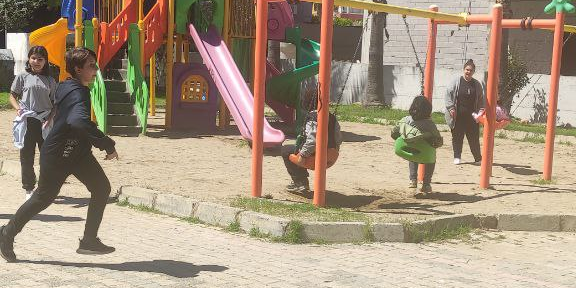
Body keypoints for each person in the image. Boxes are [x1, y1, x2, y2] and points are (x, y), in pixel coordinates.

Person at [0, 47, 118, 262]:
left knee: (101, 188)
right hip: (57, 154)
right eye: (92, 65)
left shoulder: (66, 85)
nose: (96, 69)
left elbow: (63, 113)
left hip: (78, 152)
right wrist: (106, 144)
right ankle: (6, 234)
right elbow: (78, 121)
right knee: (42, 198)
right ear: (78, 68)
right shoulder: (77, 91)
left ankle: (89, 241)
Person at [9, 46, 57, 200]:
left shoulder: (50, 80)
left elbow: (55, 103)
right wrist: (18, 110)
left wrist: (50, 119)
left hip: (45, 123)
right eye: (33, 58)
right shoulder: (22, 77)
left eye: (40, 59)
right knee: (27, 156)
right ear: (29, 59)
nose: (36, 61)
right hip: (28, 121)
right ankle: (29, 188)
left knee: (47, 157)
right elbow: (12, 96)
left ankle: (45, 188)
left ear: (45, 61)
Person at [282, 90, 343, 194]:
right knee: (297, 148)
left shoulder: (313, 118)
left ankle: (300, 182)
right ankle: (301, 182)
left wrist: (303, 155)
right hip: (331, 157)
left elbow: (313, 140)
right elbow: (338, 138)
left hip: (313, 157)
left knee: (286, 150)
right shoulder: (332, 118)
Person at [392, 96, 443, 193]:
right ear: (428, 110)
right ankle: (426, 184)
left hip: (404, 150)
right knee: (431, 156)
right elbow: (438, 140)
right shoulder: (429, 124)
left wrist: (401, 139)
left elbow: (394, 132)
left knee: (412, 152)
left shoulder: (405, 119)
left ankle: (413, 180)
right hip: (425, 154)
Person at [445, 59, 485, 165]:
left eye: (471, 70)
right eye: (467, 70)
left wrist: (481, 111)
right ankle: (457, 157)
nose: (468, 72)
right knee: (457, 137)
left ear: (474, 72)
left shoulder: (477, 84)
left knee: (474, 138)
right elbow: (448, 94)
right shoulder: (457, 81)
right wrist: (451, 108)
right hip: (458, 116)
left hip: (472, 117)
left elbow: (481, 99)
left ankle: (478, 158)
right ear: (464, 70)